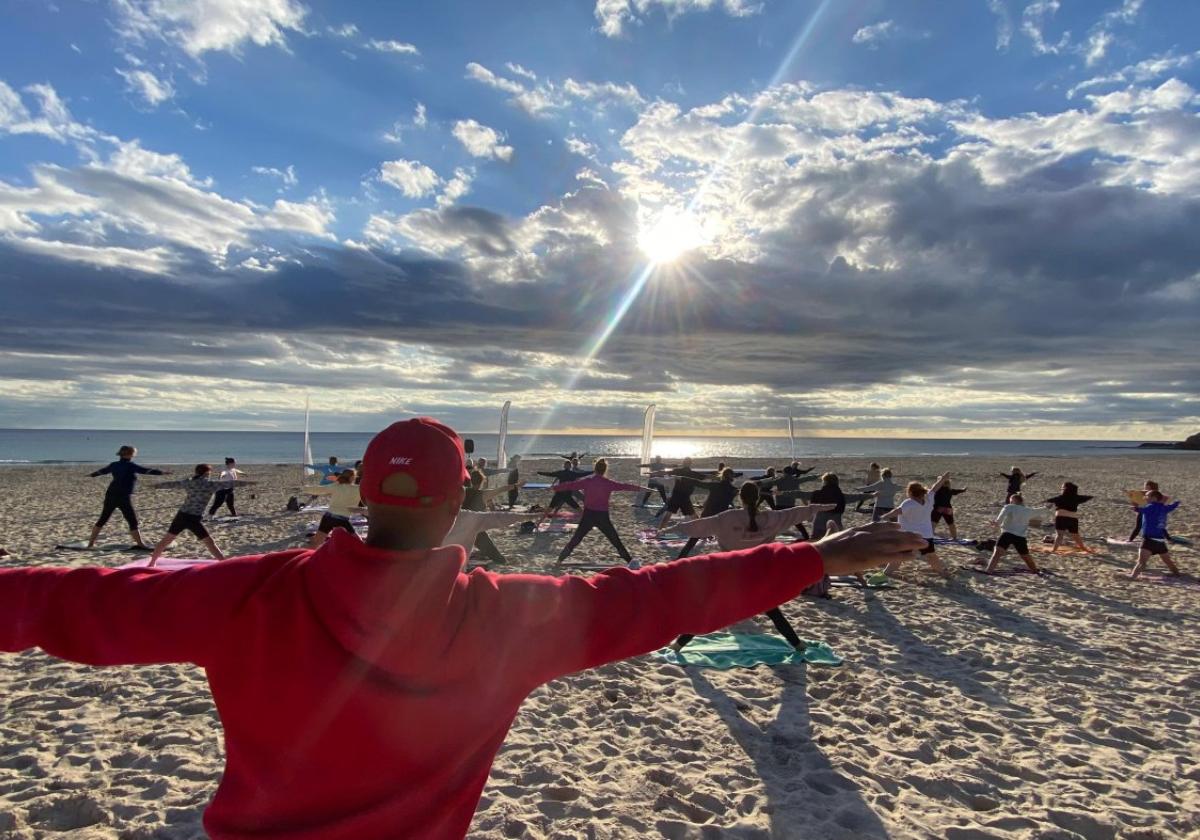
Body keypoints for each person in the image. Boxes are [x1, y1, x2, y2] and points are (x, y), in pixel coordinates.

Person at [0, 416, 923, 839]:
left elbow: (67, 600)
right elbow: (663, 598)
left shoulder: (244, 592)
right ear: (463, 499)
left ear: (360, 492)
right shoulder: (508, 616)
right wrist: (815, 556)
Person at [669, 482, 836, 653]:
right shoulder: (771, 518)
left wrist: (674, 527)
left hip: (731, 576)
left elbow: (700, 525)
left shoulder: (728, 517)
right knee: (773, 612)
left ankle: (678, 644)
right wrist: (818, 507)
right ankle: (798, 645)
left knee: (709, 610)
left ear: (740, 497)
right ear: (758, 498)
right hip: (758, 575)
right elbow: (795, 513)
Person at [148, 465, 252, 566]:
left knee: (166, 540)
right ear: (207, 473)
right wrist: (250, 483)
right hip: (194, 519)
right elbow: (232, 483)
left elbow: (171, 484)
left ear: (196, 472)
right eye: (209, 473)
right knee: (209, 542)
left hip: (182, 515)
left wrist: (155, 486)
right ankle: (223, 563)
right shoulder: (210, 484)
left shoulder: (189, 482)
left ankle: (152, 563)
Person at [552, 459, 647, 566]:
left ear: (595, 469)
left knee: (576, 539)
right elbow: (625, 486)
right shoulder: (608, 483)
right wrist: (643, 489)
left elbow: (570, 485)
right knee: (615, 540)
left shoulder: (588, 481)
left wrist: (555, 488)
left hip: (588, 515)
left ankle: (559, 561)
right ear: (605, 470)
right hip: (602, 517)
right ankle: (630, 561)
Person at [87, 445, 169, 550]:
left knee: (103, 519)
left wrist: (91, 475)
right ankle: (141, 544)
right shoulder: (131, 466)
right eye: (134, 452)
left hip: (111, 494)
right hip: (123, 497)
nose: (135, 454)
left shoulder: (114, 465)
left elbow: (102, 471)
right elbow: (145, 470)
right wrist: (162, 473)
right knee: (132, 521)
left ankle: (90, 544)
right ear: (129, 454)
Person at [880, 474, 951, 577]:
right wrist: (943, 479)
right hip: (926, 535)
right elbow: (935, 487)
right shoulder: (928, 499)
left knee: (899, 555)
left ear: (910, 492)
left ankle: (886, 573)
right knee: (931, 556)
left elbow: (897, 511)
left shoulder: (909, 503)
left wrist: (883, 517)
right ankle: (943, 573)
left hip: (908, 536)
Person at [676, 468, 739, 559]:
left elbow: (698, 483)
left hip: (707, 516)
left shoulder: (715, 485)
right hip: (721, 519)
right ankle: (731, 562)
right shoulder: (734, 490)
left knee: (692, 541)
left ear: (722, 476)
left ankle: (679, 559)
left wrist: (683, 478)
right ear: (731, 477)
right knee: (727, 543)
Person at [463, 470, 523, 564]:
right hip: (475, 528)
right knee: (493, 553)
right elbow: (502, 489)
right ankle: (502, 562)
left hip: (460, 525)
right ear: (482, 482)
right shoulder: (483, 494)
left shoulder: (463, 491)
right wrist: (516, 486)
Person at [982, 493, 1049, 575]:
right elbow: (1041, 510)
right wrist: (1048, 506)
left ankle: (989, 570)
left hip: (1008, 533)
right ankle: (1034, 570)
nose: (1009, 502)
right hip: (1020, 537)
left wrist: (995, 523)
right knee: (1025, 555)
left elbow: (999, 519)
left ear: (1013, 500)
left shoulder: (1009, 507)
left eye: (1010, 500)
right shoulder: (1028, 510)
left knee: (997, 552)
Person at [1126, 490, 1182, 579]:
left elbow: (1140, 510)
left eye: (1147, 496)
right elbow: (1173, 506)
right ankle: (1177, 574)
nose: (1145, 498)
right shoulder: (1165, 508)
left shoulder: (1150, 507)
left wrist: (1134, 508)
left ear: (1154, 498)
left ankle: (1132, 576)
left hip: (1149, 540)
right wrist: (1177, 502)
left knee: (1141, 562)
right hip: (1160, 541)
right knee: (1168, 561)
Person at [304, 469, 363, 548]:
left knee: (317, 541)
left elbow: (319, 489)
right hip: (341, 520)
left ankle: (308, 556)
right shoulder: (358, 489)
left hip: (328, 517)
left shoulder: (336, 485)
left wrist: (304, 488)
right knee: (358, 540)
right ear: (352, 477)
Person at [652, 458, 710, 531]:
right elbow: (706, 476)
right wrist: (720, 478)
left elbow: (665, 472)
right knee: (694, 516)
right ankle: (703, 531)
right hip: (685, 498)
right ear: (690, 463)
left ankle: (659, 531)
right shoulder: (693, 474)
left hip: (676, 496)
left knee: (668, 515)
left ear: (683, 463)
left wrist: (654, 473)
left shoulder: (678, 471)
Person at [1043, 482, 1094, 553]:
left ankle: (1054, 550)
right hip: (1073, 518)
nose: (1061, 488)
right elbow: (1086, 497)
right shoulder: (1077, 497)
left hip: (1061, 517)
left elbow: (1048, 500)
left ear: (1065, 489)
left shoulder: (1060, 497)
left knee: (1059, 535)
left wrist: (1043, 501)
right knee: (1076, 535)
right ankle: (1083, 548)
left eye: (1062, 487)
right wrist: (1092, 497)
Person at [809, 473, 847, 540]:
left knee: (817, 544)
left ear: (825, 482)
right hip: (836, 523)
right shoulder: (840, 495)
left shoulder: (817, 493)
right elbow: (841, 509)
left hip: (819, 523)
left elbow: (812, 507)